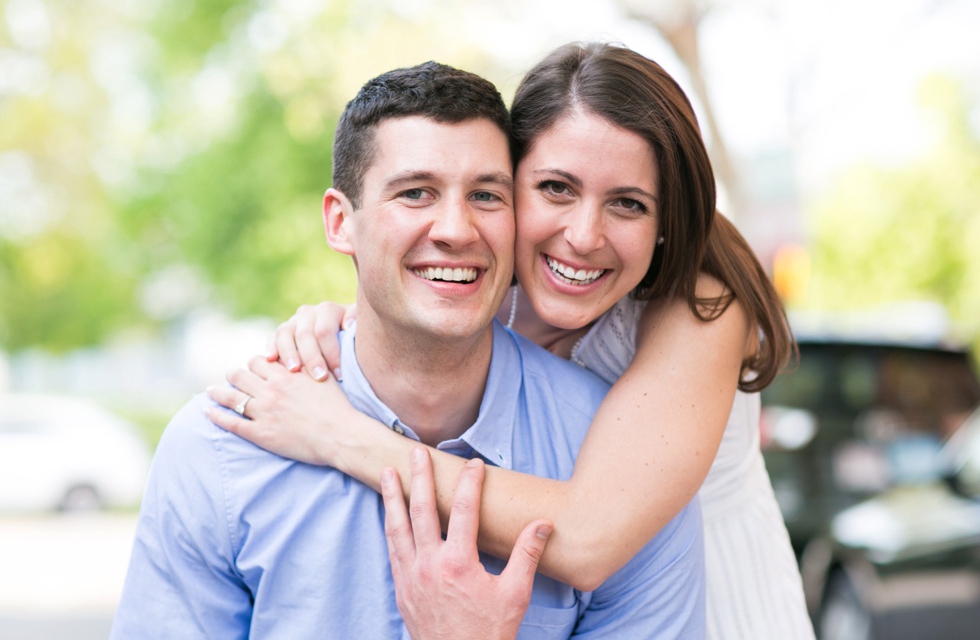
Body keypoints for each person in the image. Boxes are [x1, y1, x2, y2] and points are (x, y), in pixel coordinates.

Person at [208, 41, 816, 639]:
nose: (583, 236)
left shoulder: (702, 305)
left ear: (666, 223)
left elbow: (586, 538)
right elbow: (400, 300)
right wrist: (338, 326)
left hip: (717, 612)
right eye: (556, 188)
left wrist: (339, 436)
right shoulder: (487, 286)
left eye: (628, 204)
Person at [112, 60, 705, 639]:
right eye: (416, 193)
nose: (455, 229)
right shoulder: (220, 449)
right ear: (341, 223)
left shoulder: (621, 468)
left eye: (486, 196)